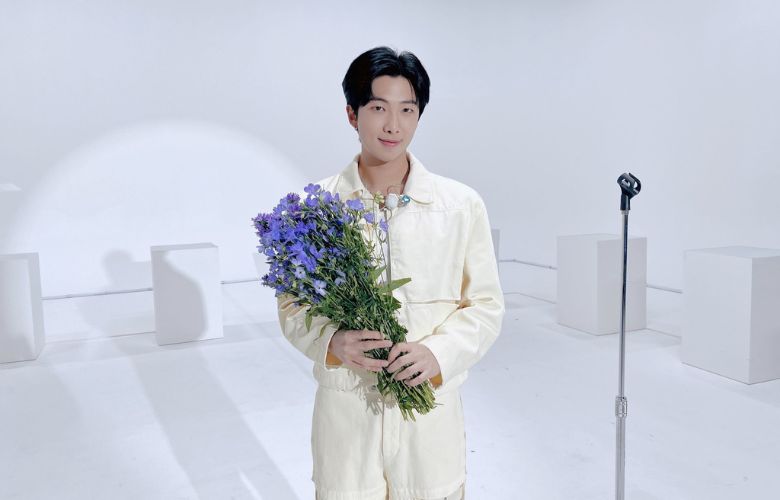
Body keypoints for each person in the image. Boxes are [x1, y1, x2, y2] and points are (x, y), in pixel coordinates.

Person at [276, 46, 505, 500]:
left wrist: (439, 353)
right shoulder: (315, 210)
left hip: (429, 417)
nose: (393, 126)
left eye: (407, 110)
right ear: (352, 114)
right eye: (379, 108)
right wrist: (331, 342)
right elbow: (291, 307)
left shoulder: (460, 206)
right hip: (348, 413)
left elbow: (485, 305)